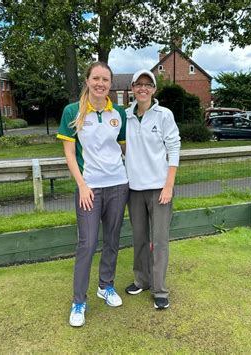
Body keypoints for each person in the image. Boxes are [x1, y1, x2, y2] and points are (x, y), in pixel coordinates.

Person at [57, 62, 129, 327]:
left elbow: (123, 149)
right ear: (87, 80)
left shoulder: (118, 112)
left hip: (119, 185)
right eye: (96, 78)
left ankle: (105, 286)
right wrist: (83, 185)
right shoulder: (72, 111)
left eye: (106, 80)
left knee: (111, 239)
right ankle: (79, 302)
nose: (101, 83)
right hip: (89, 187)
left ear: (111, 84)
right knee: (87, 243)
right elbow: (68, 153)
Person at [124, 69, 181, 310]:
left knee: (159, 241)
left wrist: (169, 185)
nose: (143, 88)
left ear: (154, 89)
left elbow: (174, 149)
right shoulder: (124, 115)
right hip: (134, 189)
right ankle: (142, 280)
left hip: (160, 190)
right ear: (133, 88)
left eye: (148, 84)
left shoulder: (164, 115)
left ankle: (159, 290)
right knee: (139, 239)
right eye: (139, 84)